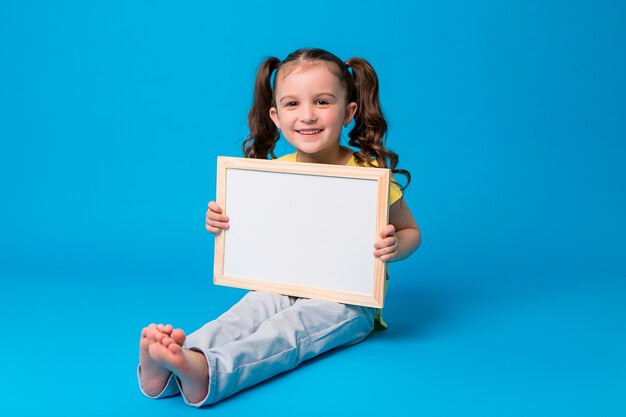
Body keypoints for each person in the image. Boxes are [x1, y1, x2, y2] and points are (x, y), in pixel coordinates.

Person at [138, 48, 421, 407]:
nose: (307, 116)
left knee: (289, 331)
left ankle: (210, 373)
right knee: (243, 315)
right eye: (292, 104)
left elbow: (412, 231)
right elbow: (261, 231)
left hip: (348, 300)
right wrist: (221, 223)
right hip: (283, 281)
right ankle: (176, 361)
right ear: (275, 116)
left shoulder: (369, 174)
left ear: (348, 112)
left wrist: (395, 246)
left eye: (322, 101)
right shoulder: (274, 172)